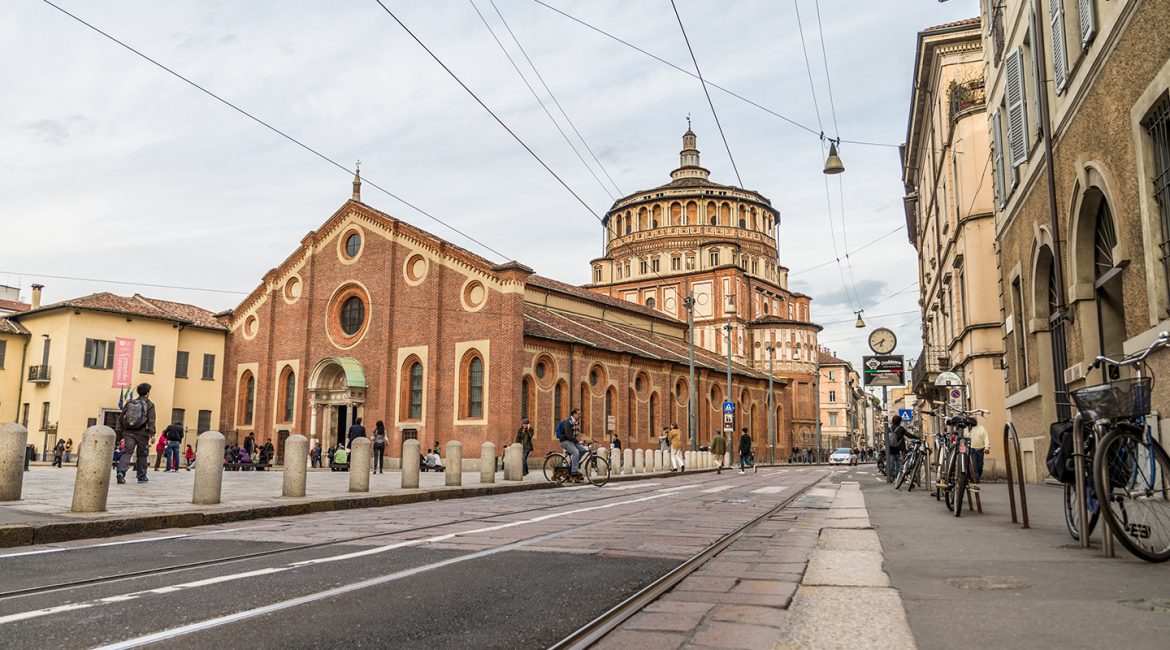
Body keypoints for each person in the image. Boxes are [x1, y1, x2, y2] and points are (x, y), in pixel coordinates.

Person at [116, 382, 156, 484]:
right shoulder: (150, 404)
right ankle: (141, 476)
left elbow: (121, 418)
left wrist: (121, 433)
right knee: (142, 454)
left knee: (127, 452)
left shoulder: (130, 403)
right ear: (147, 392)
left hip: (129, 432)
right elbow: (151, 420)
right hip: (143, 433)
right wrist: (152, 434)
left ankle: (121, 472)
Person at [555, 408, 587, 480]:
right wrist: (578, 442)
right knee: (576, 452)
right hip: (565, 441)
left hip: (572, 441)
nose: (580, 415)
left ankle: (573, 465)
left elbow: (575, 434)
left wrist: (582, 440)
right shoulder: (568, 422)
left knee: (583, 450)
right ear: (574, 414)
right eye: (578, 414)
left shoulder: (576, 422)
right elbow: (568, 435)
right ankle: (574, 471)